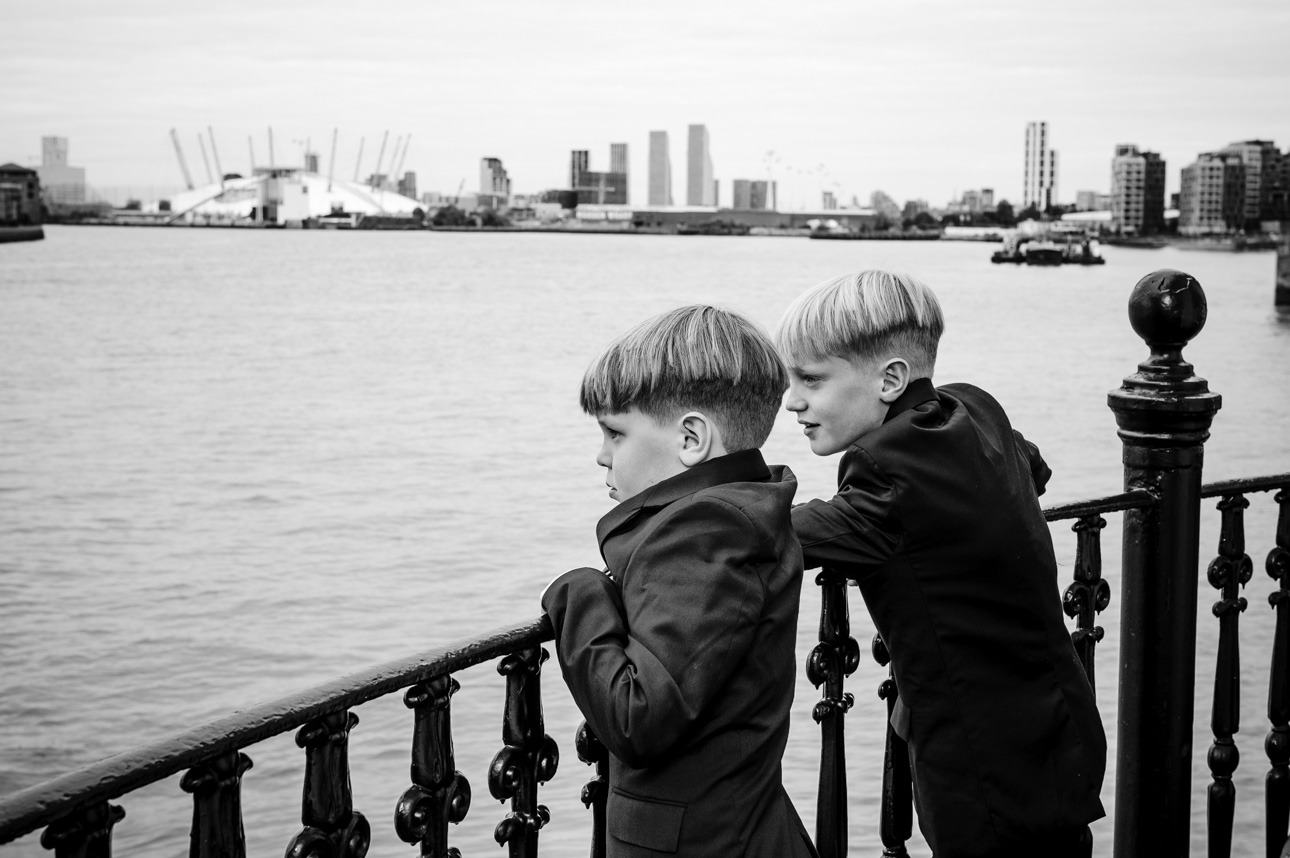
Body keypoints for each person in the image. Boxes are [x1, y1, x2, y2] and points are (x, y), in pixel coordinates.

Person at [776, 270, 1107, 858]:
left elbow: (788, 533)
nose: (792, 401)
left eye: (811, 379)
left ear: (891, 378)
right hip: (1058, 726)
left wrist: (718, 497)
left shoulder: (883, 467)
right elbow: (1030, 467)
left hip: (981, 765)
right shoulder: (975, 408)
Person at [541, 305, 818, 858]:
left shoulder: (700, 532)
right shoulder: (748, 510)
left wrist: (580, 593)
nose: (601, 456)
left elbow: (637, 715)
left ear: (692, 438)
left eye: (615, 434)